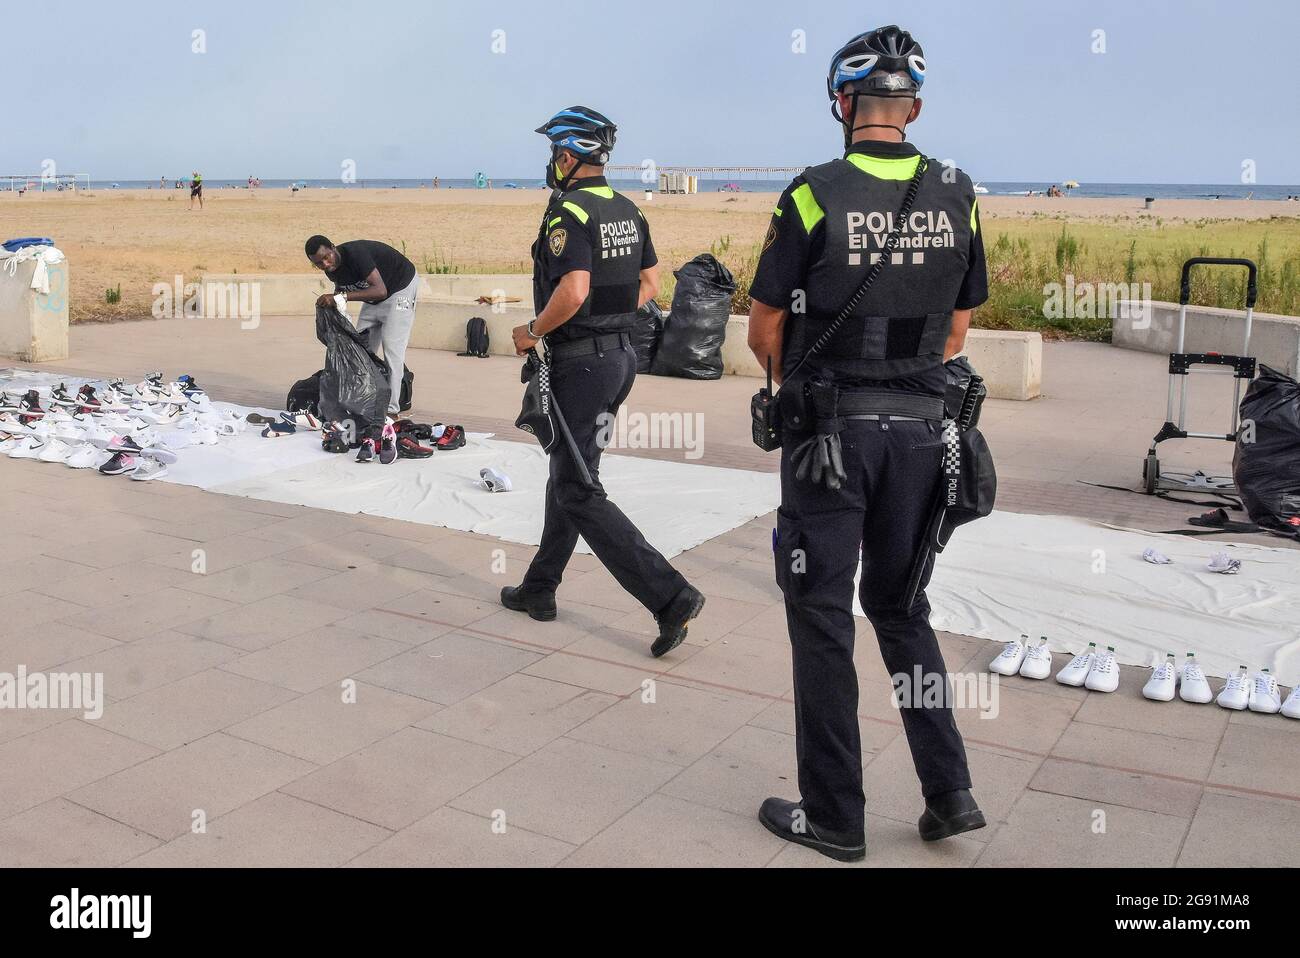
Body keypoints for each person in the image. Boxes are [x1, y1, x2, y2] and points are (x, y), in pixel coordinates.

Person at [746, 25, 990, 862]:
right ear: (913, 107)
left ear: (842, 105)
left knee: (822, 620)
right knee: (900, 609)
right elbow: (958, 328)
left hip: (832, 439)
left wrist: (813, 380)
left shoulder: (812, 191)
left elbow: (764, 327)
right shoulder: (959, 190)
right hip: (926, 432)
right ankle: (949, 792)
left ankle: (836, 817)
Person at [504, 106, 704, 657]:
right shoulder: (626, 209)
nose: (551, 164)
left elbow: (572, 288)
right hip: (620, 359)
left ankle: (670, 597)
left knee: (577, 487)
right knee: (571, 473)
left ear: (567, 156)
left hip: (580, 364)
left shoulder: (567, 213)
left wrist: (532, 331)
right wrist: (609, 321)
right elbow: (648, 284)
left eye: (553, 154)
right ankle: (539, 588)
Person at [305, 235, 419, 430]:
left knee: (392, 350)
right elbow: (343, 294)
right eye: (319, 263)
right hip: (374, 299)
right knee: (358, 348)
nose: (325, 264)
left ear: (333, 247)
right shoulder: (331, 270)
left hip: (399, 290)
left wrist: (339, 296)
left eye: (327, 257)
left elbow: (380, 290)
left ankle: (391, 410)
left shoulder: (357, 255)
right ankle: (363, 400)